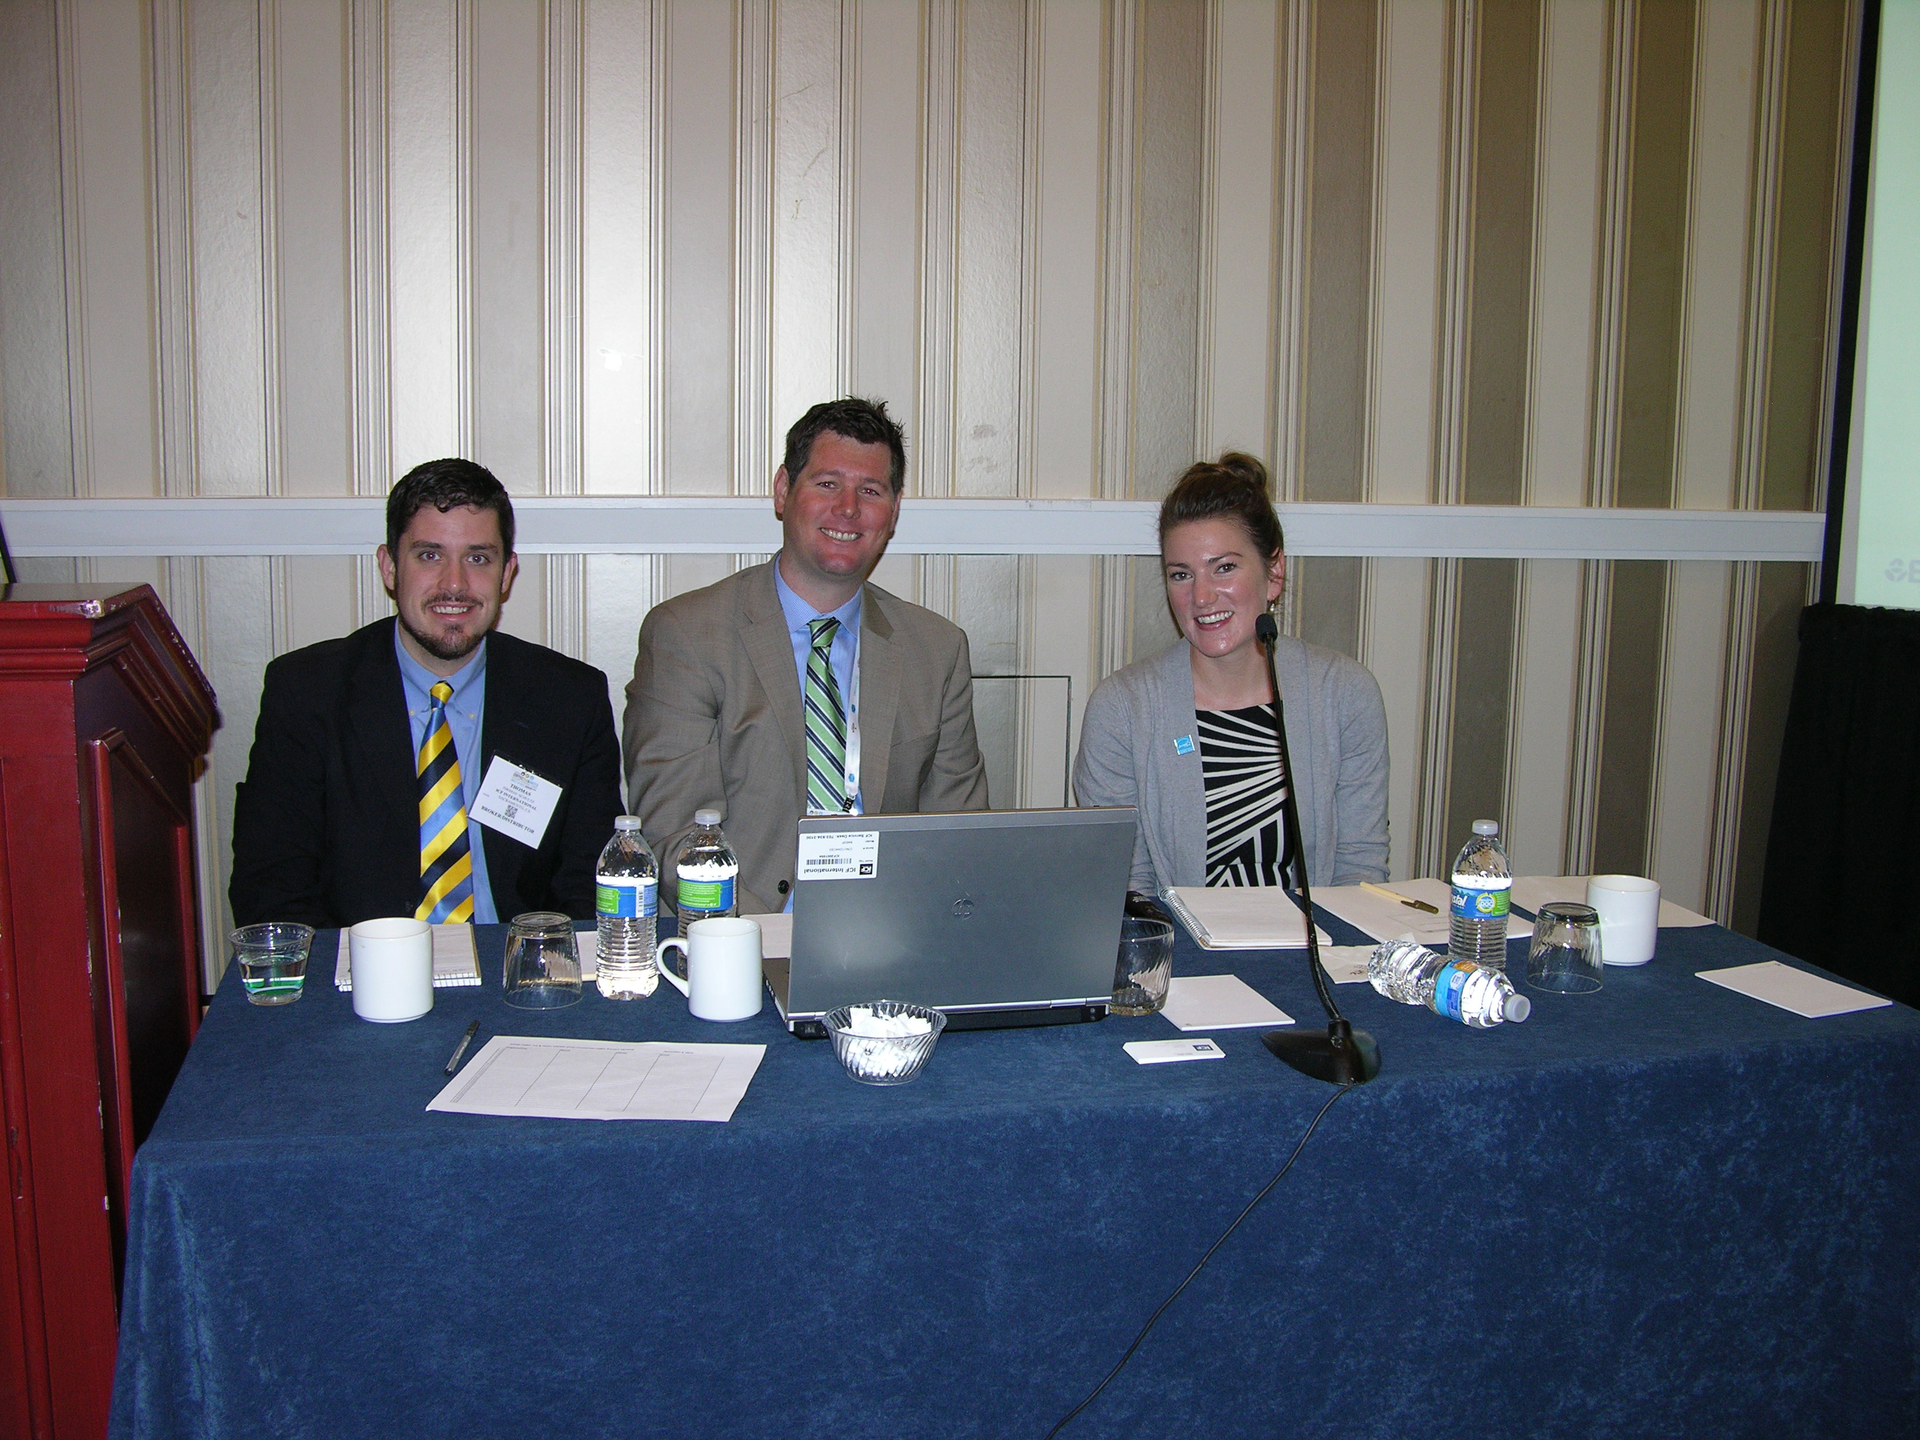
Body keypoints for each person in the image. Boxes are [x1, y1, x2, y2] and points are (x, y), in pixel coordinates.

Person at [624, 397, 989, 914]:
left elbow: (959, 838)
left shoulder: (937, 649)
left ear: (894, 510)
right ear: (782, 490)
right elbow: (675, 836)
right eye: (826, 483)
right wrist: (770, 947)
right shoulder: (687, 636)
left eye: (871, 490)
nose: (848, 508)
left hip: (890, 935)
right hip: (736, 938)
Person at [229, 459, 623, 929]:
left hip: (517, 975)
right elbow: (272, 887)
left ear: (507, 573)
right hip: (363, 975)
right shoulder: (308, 692)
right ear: (390, 567)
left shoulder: (569, 698)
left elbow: (589, 886)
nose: (454, 584)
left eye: (478, 558)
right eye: (429, 555)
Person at [1073, 452, 1388, 894]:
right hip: (1179, 957)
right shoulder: (1122, 709)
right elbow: (1128, 888)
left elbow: (1359, 864)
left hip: (1314, 953)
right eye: (1181, 575)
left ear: (1273, 571)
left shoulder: (1344, 694)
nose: (1201, 596)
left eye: (1224, 568)